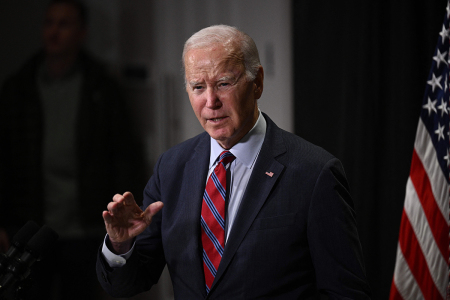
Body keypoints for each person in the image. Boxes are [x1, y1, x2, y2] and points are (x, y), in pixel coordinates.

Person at [96, 25, 371, 299]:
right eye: (198, 87)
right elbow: (128, 284)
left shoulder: (314, 173)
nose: (211, 101)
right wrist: (121, 245)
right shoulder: (171, 168)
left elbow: (346, 293)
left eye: (224, 83)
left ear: (258, 82)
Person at [0, 0, 146, 299]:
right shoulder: (19, 87)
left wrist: (122, 216)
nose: (54, 32)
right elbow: (4, 160)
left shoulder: (101, 88)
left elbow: (124, 155)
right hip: (32, 226)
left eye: (64, 24)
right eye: (49, 23)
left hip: (86, 227)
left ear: (81, 32)